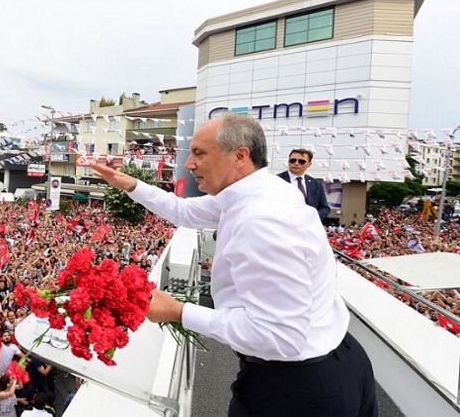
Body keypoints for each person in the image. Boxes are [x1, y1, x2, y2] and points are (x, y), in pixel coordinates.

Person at [90, 114, 377, 417]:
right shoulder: (260, 190)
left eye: (200, 153)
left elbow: (282, 338)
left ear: (240, 156)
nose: (189, 164)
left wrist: (179, 311)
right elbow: (184, 212)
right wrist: (130, 184)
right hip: (338, 364)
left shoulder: (260, 221)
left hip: (299, 391)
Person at [277, 148, 330, 221]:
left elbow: (324, 208)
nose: (296, 163)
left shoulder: (316, 184)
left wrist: (312, 218)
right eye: (293, 160)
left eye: (301, 161)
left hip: (307, 227)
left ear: (309, 164)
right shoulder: (276, 180)